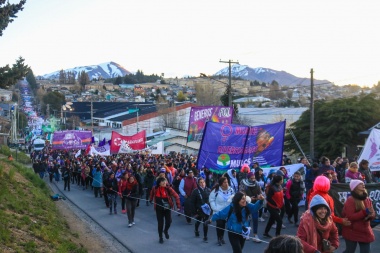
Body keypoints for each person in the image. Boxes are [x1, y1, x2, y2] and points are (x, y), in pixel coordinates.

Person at [341, 180, 375, 253]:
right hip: (352, 230)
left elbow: (372, 212)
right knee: (349, 251)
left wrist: (371, 215)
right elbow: (350, 217)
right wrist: (364, 212)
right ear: (355, 187)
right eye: (360, 184)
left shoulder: (367, 199)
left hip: (365, 230)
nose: (363, 185)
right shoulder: (350, 200)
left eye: (363, 183)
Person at [150, 177, 180, 244]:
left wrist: (178, 206)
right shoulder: (155, 188)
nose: (164, 183)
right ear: (159, 183)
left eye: (165, 181)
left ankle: (165, 230)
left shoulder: (168, 189)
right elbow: (152, 193)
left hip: (167, 208)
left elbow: (176, 196)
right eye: (162, 181)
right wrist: (150, 199)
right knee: (160, 224)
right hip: (159, 209)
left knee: (169, 222)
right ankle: (160, 237)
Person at [209, 176, 235, 246]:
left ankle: (222, 237)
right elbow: (211, 200)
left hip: (227, 212)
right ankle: (219, 238)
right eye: (224, 182)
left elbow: (234, 199)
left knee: (223, 225)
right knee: (219, 225)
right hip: (218, 211)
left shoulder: (231, 190)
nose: (226, 184)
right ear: (221, 183)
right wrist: (215, 208)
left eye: (227, 182)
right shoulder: (216, 191)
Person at [239, 171, 262, 242]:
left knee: (255, 219)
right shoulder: (243, 184)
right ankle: (247, 233)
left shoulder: (257, 184)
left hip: (255, 204)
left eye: (254, 178)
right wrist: (248, 198)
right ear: (248, 178)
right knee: (247, 219)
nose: (253, 180)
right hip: (246, 203)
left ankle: (255, 235)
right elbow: (241, 193)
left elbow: (260, 192)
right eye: (251, 178)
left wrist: (259, 196)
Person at [263, 170, 285, 238]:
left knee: (271, 220)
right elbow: (269, 198)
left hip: (277, 206)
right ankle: (277, 236)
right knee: (279, 221)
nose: (283, 180)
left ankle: (266, 232)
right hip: (272, 206)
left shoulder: (279, 186)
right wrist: (276, 205)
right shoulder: (272, 188)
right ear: (279, 181)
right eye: (282, 180)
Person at [190, 177, 211, 242]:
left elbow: (211, 200)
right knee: (198, 221)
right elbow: (192, 202)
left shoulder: (208, 190)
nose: (202, 184)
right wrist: (194, 212)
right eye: (201, 183)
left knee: (205, 223)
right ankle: (196, 230)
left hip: (207, 210)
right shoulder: (195, 191)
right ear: (198, 184)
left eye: (203, 182)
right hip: (199, 210)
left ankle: (205, 236)